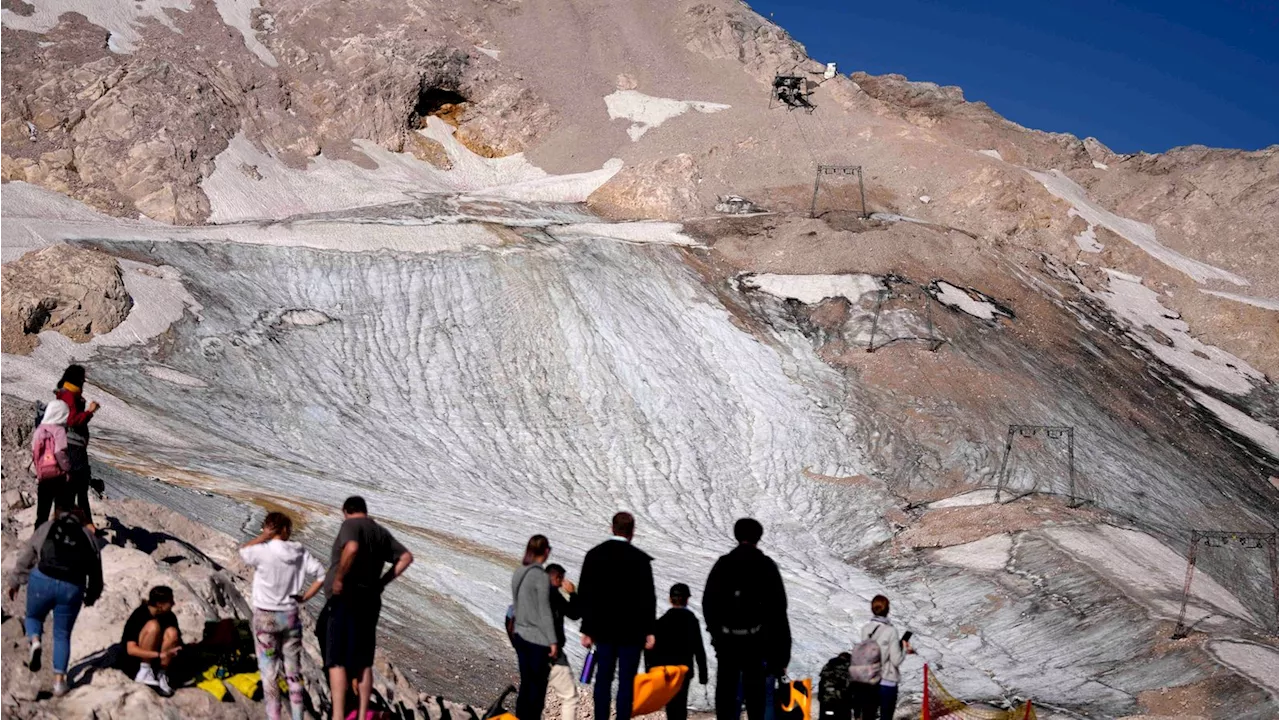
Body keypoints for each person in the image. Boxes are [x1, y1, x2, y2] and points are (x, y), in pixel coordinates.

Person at [321, 496, 414, 720]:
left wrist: (340, 578)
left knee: (337, 659)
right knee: (364, 661)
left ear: (346, 510)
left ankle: (338, 715)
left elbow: (351, 548)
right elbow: (406, 557)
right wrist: (381, 582)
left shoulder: (350, 525)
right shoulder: (379, 531)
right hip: (369, 601)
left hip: (346, 598)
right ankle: (362, 715)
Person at [7, 504, 103, 697]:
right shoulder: (88, 536)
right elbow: (95, 572)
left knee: (33, 616)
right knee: (62, 634)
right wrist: (91, 595)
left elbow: (27, 555)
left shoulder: (48, 527)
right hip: (72, 587)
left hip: (43, 579)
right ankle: (59, 682)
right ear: (81, 518)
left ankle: (35, 641)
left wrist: (15, 581)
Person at [240, 511, 326, 720]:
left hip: (265, 617)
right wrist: (305, 597)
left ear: (268, 529)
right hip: (289, 616)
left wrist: (263, 537)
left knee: (269, 673)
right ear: (286, 529)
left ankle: (274, 717)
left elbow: (243, 552)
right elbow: (321, 574)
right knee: (293, 672)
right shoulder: (298, 551)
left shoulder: (262, 551)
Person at [703, 518, 791, 720]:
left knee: (726, 697)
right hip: (757, 643)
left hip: (727, 643)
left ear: (736, 535)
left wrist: (717, 634)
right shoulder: (766, 566)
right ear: (759, 537)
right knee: (756, 700)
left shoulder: (723, 564)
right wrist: (781, 654)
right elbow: (778, 611)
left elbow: (709, 604)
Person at [577, 511, 656, 720]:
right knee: (626, 682)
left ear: (612, 528)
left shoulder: (595, 555)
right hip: (632, 632)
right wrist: (649, 631)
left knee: (603, 679)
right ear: (632, 532)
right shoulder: (640, 560)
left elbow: (587, 594)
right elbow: (648, 599)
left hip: (602, 630)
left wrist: (587, 629)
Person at [645, 583, 708, 720]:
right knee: (681, 704)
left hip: (666, 670)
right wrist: (703, 673)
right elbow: (699, 649)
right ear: (687, 600)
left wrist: (649, 670)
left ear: (670, 599)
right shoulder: (692, 621)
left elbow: (650, 649)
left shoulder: (661, 622)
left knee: (671, 705)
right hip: (684, 670)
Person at [511, 535, 557, 720]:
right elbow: (545, 612)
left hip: (520, 634)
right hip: (536, 639)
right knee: (537, 689)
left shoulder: (519, 572)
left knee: (526, 683)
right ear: (545, 551)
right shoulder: (541, 576)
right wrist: (552, 641)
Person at [53, 364, 101, 519]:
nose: (84, 382)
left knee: (77, 483)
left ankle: (76, 520)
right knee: (79, 483)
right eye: (82, 379)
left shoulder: (66, 394)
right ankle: (79, 522)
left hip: (72, 445)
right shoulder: (69, 396)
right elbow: (72, 420)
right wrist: (90, 411)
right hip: (73, 446)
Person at [853, 596, 912, 720]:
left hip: (870, 681)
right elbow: (896, 660)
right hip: (887, 680)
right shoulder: (891, 631)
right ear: (887, 609)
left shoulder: (866, 629)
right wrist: (904, 648)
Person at [119, 586, 184, 697]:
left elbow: (176, 642)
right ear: (159, 604)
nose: (173, 603)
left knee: (172, 632)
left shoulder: (170, 617)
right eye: (170, 601)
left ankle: (161, 675)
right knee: (153, 626)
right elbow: (130, 649)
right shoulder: (139, 616)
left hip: (159, 661)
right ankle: (145, 671)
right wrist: (160, 655)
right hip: (135, 662)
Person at [546, 563, 582, 720]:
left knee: (533, 696)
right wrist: (573, 594)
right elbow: (574, 614)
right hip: (552, 653)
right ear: (555, 577)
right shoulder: (553, 595)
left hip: (530, 651)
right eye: (560, 578)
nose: (562, 582)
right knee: (569, 697)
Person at [30, 399, 72, 528]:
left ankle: (37, 540)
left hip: (44, 477)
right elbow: (60, 452)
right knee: (61, 512)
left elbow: (35, 453)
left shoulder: (39, 429)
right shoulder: (59, 430)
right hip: (58, 476)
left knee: (42, 513)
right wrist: (67, 469)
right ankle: (58, 540)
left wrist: (40, 472)